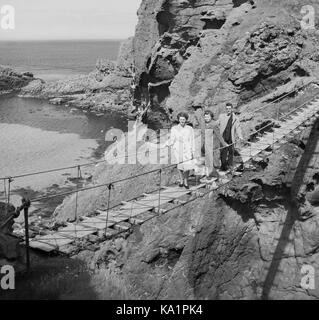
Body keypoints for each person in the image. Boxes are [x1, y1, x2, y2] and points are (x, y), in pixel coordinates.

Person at [167, 112, 195, 189]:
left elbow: (192, 140)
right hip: (178, 149)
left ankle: (186, 181)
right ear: (178, 120)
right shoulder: (174, 128)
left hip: (187, 148)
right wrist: (165, 145)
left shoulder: (190, 129)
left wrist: (193, 150)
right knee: (179, 166)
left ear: (186, 120)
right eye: (180, 119)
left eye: (183, 119)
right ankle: (181, 180)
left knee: (187, 166)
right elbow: (172, 139)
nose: (182, 121)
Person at [201, 110, 228, 182]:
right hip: (206, 145)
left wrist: (224, 143)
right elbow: (202, 135)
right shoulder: (203, 124)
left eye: (208, 117)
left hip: (214, 145)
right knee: (207, 160)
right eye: (205, 117)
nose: (206, 118)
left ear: (211, 117)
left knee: (215, 160)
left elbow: (219, 135)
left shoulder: (214, 124)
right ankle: (208, 175)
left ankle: (215, 173)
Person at [217, 102, 243, 172]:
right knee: (223, 152)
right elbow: (216, 123)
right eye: (227, 109)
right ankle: (223, 166)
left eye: (229, 108)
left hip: (231, 137)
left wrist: (240, 136)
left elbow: (238, 128)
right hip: (223, 137)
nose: (228, 110)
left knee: (231, 152)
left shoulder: (235, 118)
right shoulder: (221, 116)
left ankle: (230, 165)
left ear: (232, 109)